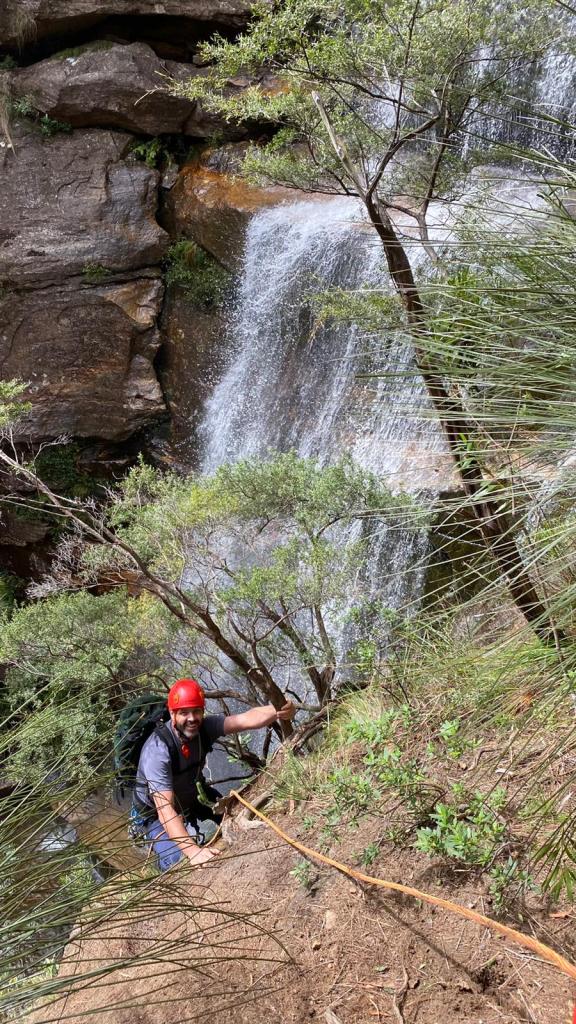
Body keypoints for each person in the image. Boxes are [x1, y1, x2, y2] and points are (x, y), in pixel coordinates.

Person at [133, 677, 295, 871]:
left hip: (193, 795)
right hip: (154, 815)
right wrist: (193, 852)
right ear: (172, 714)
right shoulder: (157, 751)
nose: (192, 718)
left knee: (235, 816)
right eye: (184, 713)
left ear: (203, 711)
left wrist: (279, 709)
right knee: (176, 862)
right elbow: (165, 810)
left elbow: (245, 719)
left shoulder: (205, 728)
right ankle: (160, 860)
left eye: (196, 711)